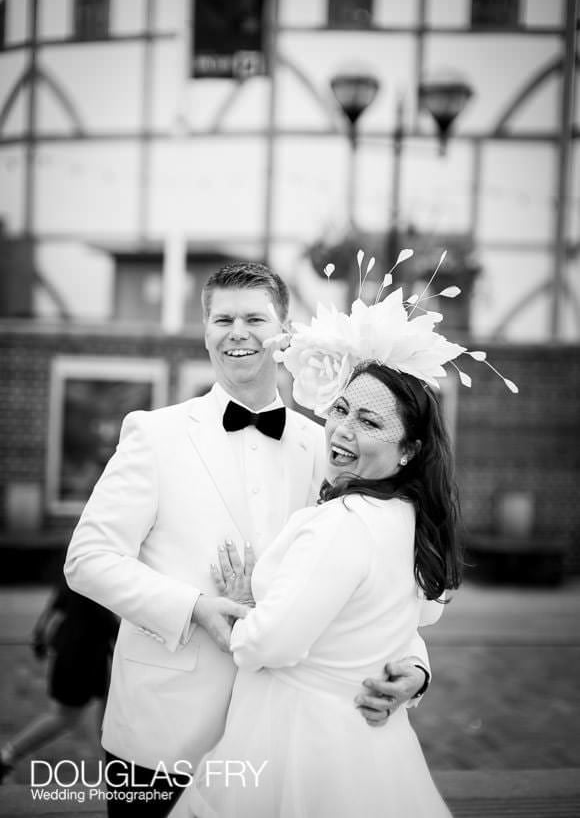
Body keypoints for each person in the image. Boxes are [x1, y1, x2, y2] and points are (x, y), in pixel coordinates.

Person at [64, 262, 431, 817]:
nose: (237, 332)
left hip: (278, 738)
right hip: (163, 729)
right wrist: (192, 607)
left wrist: (414, 664)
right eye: (222, 319)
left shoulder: (328, 446)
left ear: (285, 331)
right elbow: (87, 560)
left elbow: (365, 571)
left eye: (255, 318)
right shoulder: (154, 434)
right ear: (206, 331)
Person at [186, 359, 462, 818]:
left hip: (296, 742)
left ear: (409, 449)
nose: (341, 430)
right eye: (341, 409)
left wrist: (244, 611)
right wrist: (416, 669)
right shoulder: (409, 517)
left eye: (368, 421)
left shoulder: (344, 523)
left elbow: (268, 644)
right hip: (370, 749)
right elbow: (398, 616)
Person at [0, 577, 118, 783]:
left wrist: (41, 638)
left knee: (105, 714)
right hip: (80, 656)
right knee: (66, 717)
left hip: (79, 654)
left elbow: (54, 608)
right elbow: (107, 620)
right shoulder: (95, 574)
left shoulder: (76, 568)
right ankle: (6, 757)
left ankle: (113, 770)